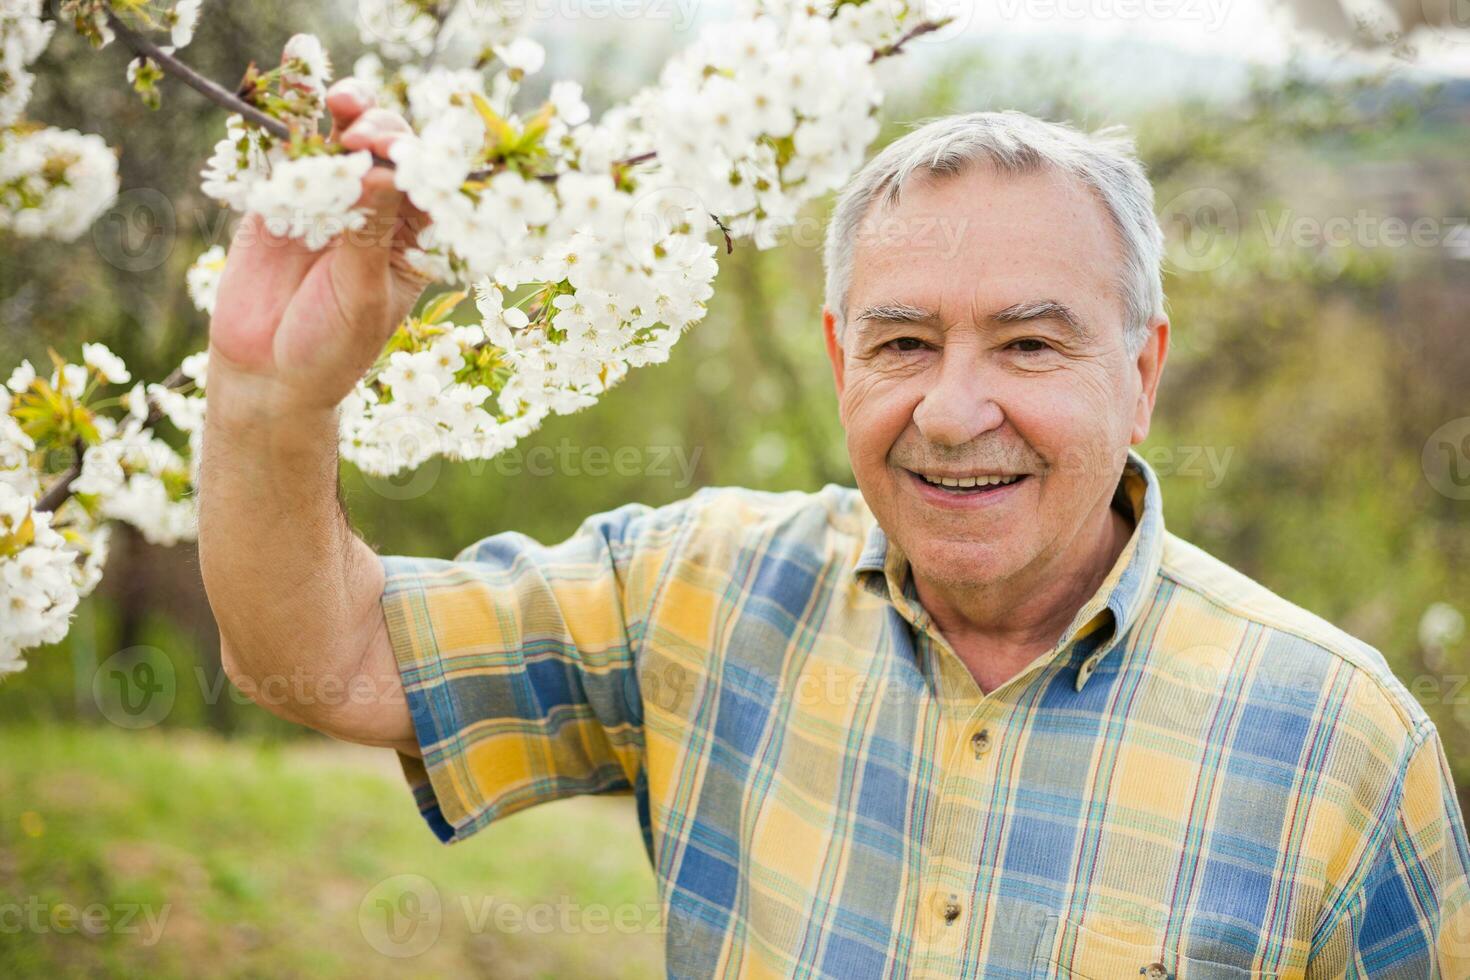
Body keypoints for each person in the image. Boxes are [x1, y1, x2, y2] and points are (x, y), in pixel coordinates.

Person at [199, 80, 1470, 978]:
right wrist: (269, 397)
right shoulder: (698, 587)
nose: (955, 409)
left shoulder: (1341, 743)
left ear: (1141, 371)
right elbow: (320, 653)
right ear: (836, 359)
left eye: (1030, 343)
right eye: (903, 342)